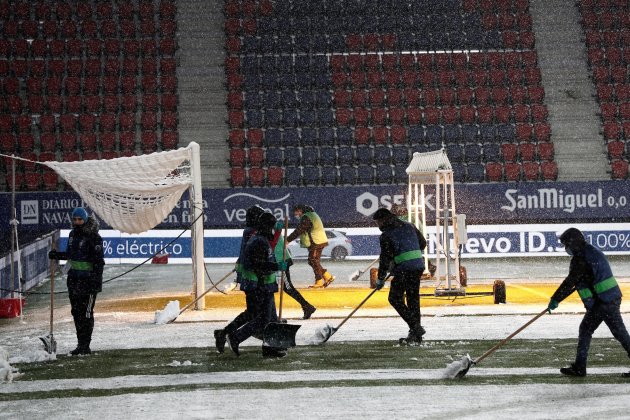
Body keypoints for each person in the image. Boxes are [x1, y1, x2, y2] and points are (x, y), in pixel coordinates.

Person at [548, 227, 630, 377]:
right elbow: (582, 278)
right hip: (606, 299)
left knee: (618, 333)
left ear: (573, 243)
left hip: (604, 302)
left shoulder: (581, 258)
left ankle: (580, 367)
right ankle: (579, 367)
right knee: (589, 330)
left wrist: (555, 299)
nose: (566, 248)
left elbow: (570, 282)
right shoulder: (589, 252)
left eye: (566, 245)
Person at [226, 211, 288, 358]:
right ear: (267, 227)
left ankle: (270, 348)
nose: (273, 230)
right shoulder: (258, 241)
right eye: (273, 227)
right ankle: (235, 337)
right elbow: (258, 265)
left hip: (265, 285)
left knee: (271, 319)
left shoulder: (261, 239)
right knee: (263, 319)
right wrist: (277, 266)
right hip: (259, 286)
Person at [48, 207, 104, 355]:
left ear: (85, 220)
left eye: (79, 219)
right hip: (73, 280)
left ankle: (86, 345)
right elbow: (70, 255)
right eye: (75, 219)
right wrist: (56, 255)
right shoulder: (72, 235)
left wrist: (96, 282)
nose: (77, 222)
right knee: (76, 312)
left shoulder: (94, 237)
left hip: (88, 281)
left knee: (86, 313)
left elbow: (99, 262)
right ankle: (80, 344)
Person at [214, 205, 265, 353]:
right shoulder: (252, 232)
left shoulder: (249, 231)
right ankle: (228, 334)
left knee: (252, 312)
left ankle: (225, 333)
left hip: (248, 276)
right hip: (252, 277)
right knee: (254, 312)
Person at [373, 207, 427, 346]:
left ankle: (415, 327)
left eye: (378, 222)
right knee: (412, 299)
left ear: (384, 220)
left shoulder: (386, 235)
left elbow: (385, 258)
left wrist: (380, 278)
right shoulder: (409, 226)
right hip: (418, 266)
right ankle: (416, 335)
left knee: (394, 298)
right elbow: (423, 243)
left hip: (405, 269)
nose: (378, 225)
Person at [271, 219, 316, 320]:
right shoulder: (271, 228)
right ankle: (307, 306)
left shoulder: (269, 229)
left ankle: (307, 306)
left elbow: (272, 244)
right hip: (278, 260)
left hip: (280, 260)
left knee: (287, 288)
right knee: (281, 287)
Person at [286, 204, 335, 288]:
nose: (295, 215)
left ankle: (319, 281)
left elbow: (299, 230)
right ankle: (327, 276)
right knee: (313, 260)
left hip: (316, 242)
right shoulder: (311, 215)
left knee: (313, 260)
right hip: (316, 241)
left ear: (300, 210)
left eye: (296, 212)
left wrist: (287, 240)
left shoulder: (307, 217)